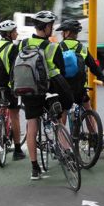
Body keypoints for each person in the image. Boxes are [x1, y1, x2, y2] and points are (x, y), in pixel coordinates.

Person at [19, 11, 73, 180]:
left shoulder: (23, 43)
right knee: (58, 118)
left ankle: (34, 168)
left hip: (28, 89)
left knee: (32, 125)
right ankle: (66, 152)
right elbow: (61, 71)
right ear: (47, 26)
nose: (53, 29)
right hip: (48, 90)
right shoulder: (53, 46)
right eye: (51, 26)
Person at [0, 20, 25, 160]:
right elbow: (17, 68)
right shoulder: (12, 48)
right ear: (9, 34)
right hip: (9, 87)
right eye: (15, 31)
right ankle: (17, 150)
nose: (16, 33)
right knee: (14, 116)